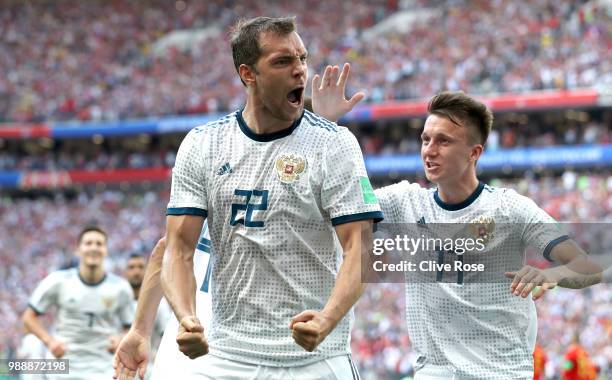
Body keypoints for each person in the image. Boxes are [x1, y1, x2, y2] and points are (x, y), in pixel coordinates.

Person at [116, 16, 381, 380]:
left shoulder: (334, 144)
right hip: (226, 357)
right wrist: (186, 316)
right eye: (283, 61)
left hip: (314, 358)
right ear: (248, 73)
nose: (300, 71)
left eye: (302, 58)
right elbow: (176, 248)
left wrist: (327, 318)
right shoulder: (203, 145)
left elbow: (361, 248)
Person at [370, 91, 602, 379]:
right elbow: (337, 201)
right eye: (425, 139)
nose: (429, 150)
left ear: (474, 152)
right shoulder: (403, 201)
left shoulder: (510, 208)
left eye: (443, 141)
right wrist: (327, 122)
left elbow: (590, 269)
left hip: (500, 372)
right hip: (434, 373)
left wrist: (552, 276)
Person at [22, 226, 134, 380]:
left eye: (99, 244)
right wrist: (50, 342)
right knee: (31, 343)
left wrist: (121, 337)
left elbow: (131, 327)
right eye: (88, 243)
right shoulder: (58, 281)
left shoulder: (120, 287)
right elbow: (29, 317)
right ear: (78, 250)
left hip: (103, 366)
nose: (94, 247)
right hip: (64, 364)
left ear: (106, 250)